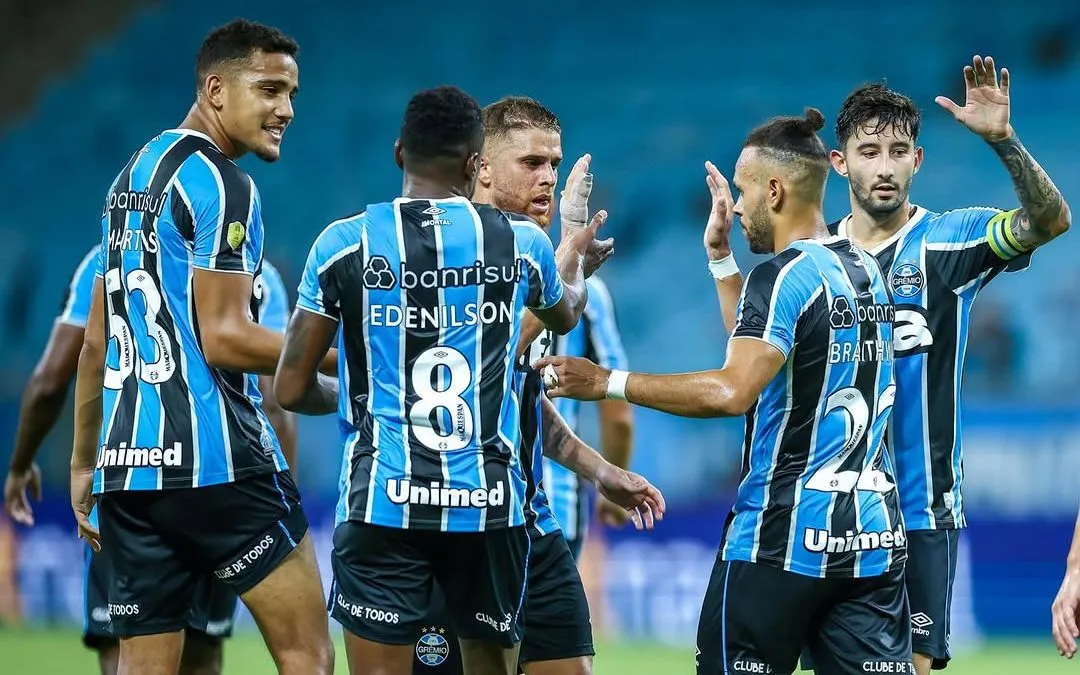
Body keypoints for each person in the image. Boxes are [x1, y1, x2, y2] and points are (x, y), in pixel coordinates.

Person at [536, 109, 913, 675]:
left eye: (743, 190)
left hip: (778, 541)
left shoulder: (782, 275)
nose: (736, 207)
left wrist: (606, 381)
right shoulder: (867, 270)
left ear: (774, 191)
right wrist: (720, 258)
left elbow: (734, 389)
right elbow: (763, 353)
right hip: (869, 544)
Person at [274, 84, 616, 675]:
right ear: (474, 164)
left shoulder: (342, 244)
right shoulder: (521, 245)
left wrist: (367, 402)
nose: (547, 176)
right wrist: (572, 264)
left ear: (399, 152)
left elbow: (288, 388)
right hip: (488, 507)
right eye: (534, 162)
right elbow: (565, 312)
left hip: (383, 504)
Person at [68, 19, 334, 675]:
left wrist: (82, 464)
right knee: (307, 654)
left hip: (130, 470)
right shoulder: (222, 183)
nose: (286, 110)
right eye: (269, 90)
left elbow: (96, 342)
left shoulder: (127, 182)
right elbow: (226, 338)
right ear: (216, 90)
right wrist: (353, 352)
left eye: (292, 94)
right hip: (219, 466)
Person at [822, 58, 1067, 675]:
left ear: (918, 160)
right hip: (827, 514)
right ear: (839, 162)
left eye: (898, 151)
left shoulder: (950, 241)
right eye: (869, 151)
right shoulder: (813, 259)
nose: (884, 166)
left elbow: (1051, 222)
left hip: (921, 510)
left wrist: (1003, 141)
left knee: (915, 667)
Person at [4, 244, 297, 674]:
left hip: (130, 476)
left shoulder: (105, 260)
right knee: (203, 653)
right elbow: (273, 403)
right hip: (221, 481)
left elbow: (51, 379)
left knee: (126, 653)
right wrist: (279, 498)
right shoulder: (257, 275)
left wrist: (20, 464)